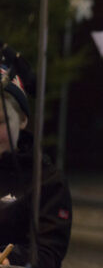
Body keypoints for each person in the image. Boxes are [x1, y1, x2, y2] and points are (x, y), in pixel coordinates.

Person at [0, 51, 72, 268]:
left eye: (1, 122)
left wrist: (11, 259)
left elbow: (48, 252)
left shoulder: (47, 181)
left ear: (22, 120)